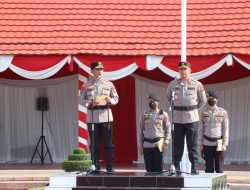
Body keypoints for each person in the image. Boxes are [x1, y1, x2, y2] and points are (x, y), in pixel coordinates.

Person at [166, 61, 207, 175]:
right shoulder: (173, 84)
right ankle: (176, 166)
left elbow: (203, 100)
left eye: (185, 69)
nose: (183, 72)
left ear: (190, 71)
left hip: (191, 118)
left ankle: (194, 166)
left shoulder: (197, 84)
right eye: (181, 69)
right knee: (177, 144)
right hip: (177, 119)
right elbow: (169, 97)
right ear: (178, 71)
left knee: (192, 144)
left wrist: (193, 108)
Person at [79, 61, 119, 174]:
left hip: (106, 117)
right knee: (94, 145)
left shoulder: (109, 84)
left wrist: (110, 100)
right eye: (98, 69)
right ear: (92, 71)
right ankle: (95, 167)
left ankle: (110, 167)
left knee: (109, 144)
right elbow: (81, 99)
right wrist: (90, 103)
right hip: (92, 118)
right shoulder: (87, 85)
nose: (100, 71)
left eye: (102, 69)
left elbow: (116, 98)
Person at [198, 91, 229, 173]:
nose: (210, 100)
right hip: (207, 143)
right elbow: (200, 128)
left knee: (219, 168)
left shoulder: (223, 112)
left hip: (219, 142)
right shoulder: (203, 112)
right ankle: (209, 186)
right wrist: (200, 143)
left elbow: (225, 128)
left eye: (212, 98)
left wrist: (225, 143)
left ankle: (219, 185)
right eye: (208, 98)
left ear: (217, 100)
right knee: (209, 168)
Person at [139, 93, 171, 173]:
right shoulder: (144, 115)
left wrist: (166, 143)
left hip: (159, 144)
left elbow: (168, 130)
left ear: (158, 102)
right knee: (149, 170)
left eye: (153, 101)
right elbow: (140, 132)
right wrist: (140, 146)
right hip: (147, 145)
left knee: (158, 169)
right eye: (150, 101)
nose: (151, 103)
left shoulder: (164, 114)